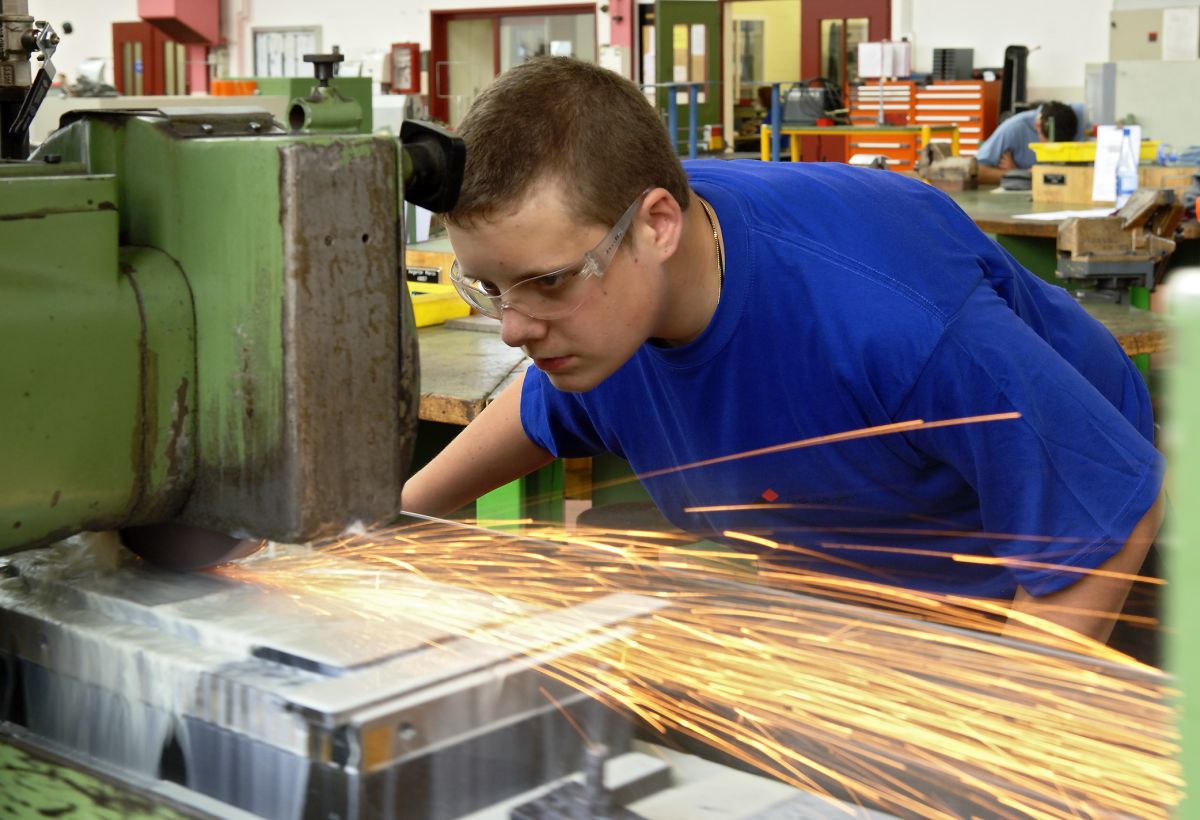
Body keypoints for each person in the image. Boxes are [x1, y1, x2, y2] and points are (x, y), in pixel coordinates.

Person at [401, 58, 1164, 645]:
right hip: (840, 557)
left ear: (657, 226)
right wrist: (386, 521)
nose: (514, 328)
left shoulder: (894, 320)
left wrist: (1003, 741)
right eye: (490, 289)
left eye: (544, 283)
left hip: (1048, 550)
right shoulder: (597, 304)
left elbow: (1102, 508)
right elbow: (539, 412)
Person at [975, 101, 1081, 185]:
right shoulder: (1013, 128)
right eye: (1046, 146)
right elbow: (977, 172)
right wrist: (1018, 175)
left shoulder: (1073, 122)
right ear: (1038, 126)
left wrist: (1019, 172)